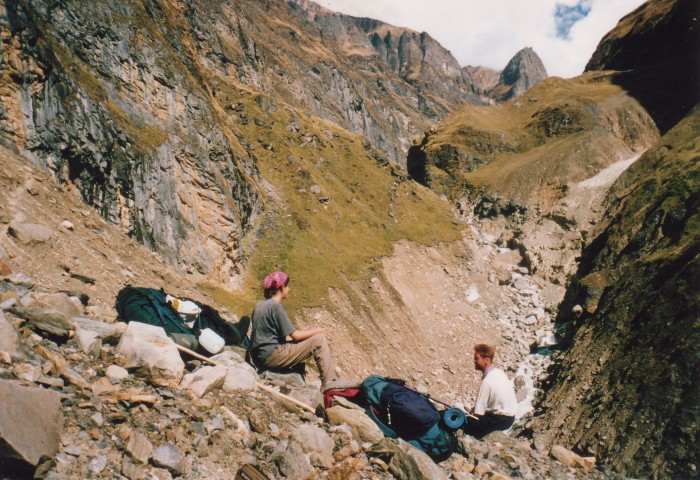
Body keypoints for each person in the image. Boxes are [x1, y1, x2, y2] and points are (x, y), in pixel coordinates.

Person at [248, 271, 344, 391]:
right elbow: (296, 336)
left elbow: (279, 336)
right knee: (319, 339)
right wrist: (318, 330)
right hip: (271, 356)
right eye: (288, 286)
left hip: (259, 357)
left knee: (308, 340)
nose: (289, 289)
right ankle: (331, 385)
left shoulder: (260, 305)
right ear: (282, 287)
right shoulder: (275, 306)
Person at [463, 343, 518, 438]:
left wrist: (469, 413)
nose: (474, 361)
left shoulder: (487, 382)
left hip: (499, 419)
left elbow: (478, 413)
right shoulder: (498, 373)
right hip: (510, 418)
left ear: (486, 360)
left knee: (465, 425)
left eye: (477, 358)